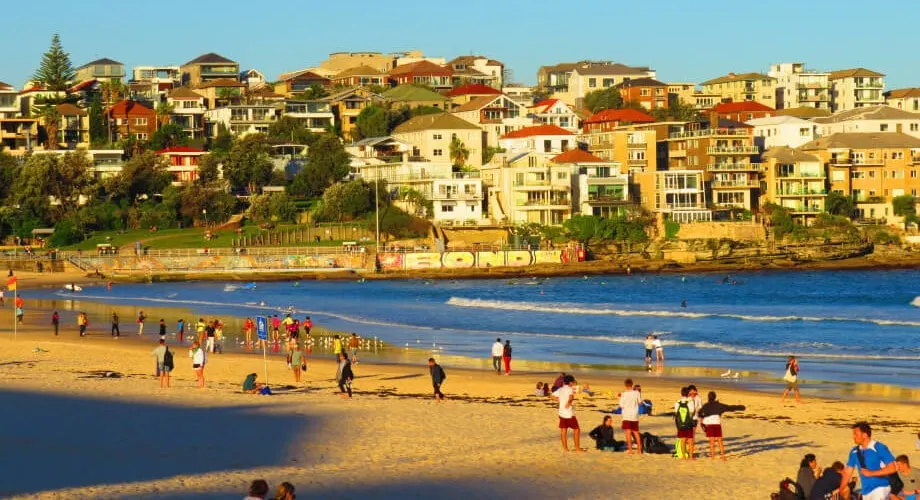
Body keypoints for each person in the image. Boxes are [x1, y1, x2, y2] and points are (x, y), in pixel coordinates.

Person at [841, 422, 897, 500]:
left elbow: (893, 468)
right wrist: (841, 489)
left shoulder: (879, 447)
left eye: (856, 434)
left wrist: (871, 473)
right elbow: (847, 472)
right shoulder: (854, 452)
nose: (853, 437)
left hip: (881, 488)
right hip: (866, 492)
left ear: (865, 435)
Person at [698, 391, 745, 461]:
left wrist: (703, 417)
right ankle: (723, 456)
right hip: (717, 424)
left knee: (712, 441)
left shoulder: (706, 405)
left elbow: (699, 413)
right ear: (715, 397)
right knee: (720, 440)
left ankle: (713, 457)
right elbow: (729, 408)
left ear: (708, 397)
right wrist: (741, 407)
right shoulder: (719, 405)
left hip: (710, 425)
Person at [551, 374, 581, 452]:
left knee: (563, 431)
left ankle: (565, 449)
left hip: (561, 413)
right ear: (570, 382)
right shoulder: (570, 389)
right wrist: (568, 402)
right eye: (573, 382)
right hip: (568, 414)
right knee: (577, 430)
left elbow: (552, 396)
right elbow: (571, 397)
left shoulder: (560, 389)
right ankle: (577, 448)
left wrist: (560, 400)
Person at [619, 378, 643, 454]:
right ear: (632, 385)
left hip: (626, 415)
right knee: (636, 432)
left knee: (628, 433)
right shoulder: (637, 393)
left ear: (625, 386)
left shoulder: (624, 394)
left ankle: (630, 450)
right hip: (634, 415)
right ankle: (639, 450)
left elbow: (621, 406)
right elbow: (640, 403)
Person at [674, 386, 696, 460]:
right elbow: (692, 411)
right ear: (688, 393)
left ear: (681, 393)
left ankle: (683, 456)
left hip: (680, 424)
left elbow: (676, 412)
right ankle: (691, 457)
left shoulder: (677, 402)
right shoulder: (690, 402)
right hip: (688, 423)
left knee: (682, 440)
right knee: (690, 440)